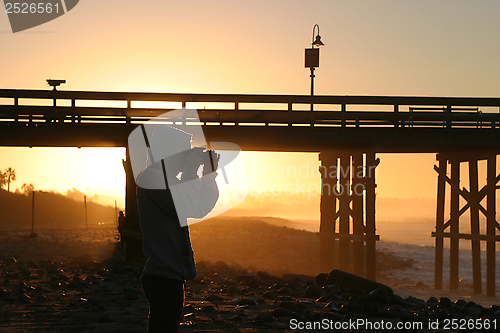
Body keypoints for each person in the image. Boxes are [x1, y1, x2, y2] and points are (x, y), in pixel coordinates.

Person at [136, 125, 219, 333]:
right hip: (162, 276)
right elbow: (185, 204)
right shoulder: (151, 177)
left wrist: (208, 176)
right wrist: (191, 171)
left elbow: (199, 208)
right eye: (184, 150)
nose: (187, 156)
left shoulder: (168, 181)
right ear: (169, 151)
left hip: (168, 276)